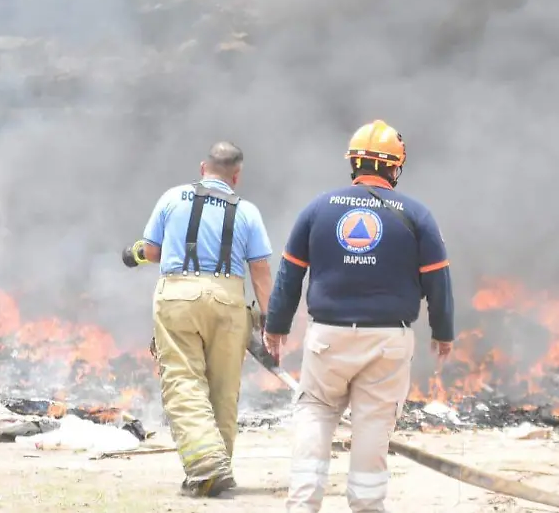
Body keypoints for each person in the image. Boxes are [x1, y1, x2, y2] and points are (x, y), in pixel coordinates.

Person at [263, 119, 455, 513]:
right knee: (373, 423)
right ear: (395, 168)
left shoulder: (318, 208)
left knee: (316, 412)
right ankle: (368, 506)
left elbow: (289, 274)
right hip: (389, 341)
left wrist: (276, 327)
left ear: (354, 163)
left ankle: (302, 505)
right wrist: (443, 330)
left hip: (328, 338)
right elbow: (439, 281)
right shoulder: (417, 215)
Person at [131, 141, 274, 497]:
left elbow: (151, 250)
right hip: (229, 301)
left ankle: (206, 466)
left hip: (178, 296)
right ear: (236, 176)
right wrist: (269, 319)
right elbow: (260, 269)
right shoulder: (248, 211)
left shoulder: (172, 198)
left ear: (202, 168)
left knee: (183, 380)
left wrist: (133, 254)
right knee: (224, 390)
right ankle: (218, 470)